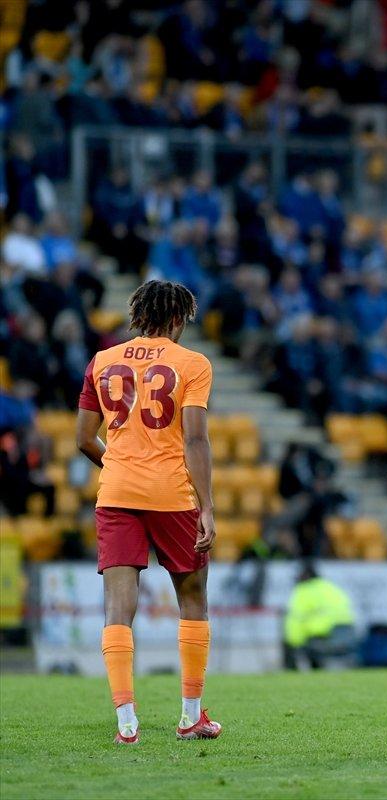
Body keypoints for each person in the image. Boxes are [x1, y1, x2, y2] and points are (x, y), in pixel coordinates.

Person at [75, 279, 221, 745]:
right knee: (192, 598)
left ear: (140, 314)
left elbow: (82, 438)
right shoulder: (192, 364)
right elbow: (195, 439)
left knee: (118, 608)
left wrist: (118, 465)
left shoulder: (101, 361)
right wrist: (209, 506)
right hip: (173, 495)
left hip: (116, 495)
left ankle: (126, 725)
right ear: (178, 319)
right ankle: (190, 717)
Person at [283, 562, 357, 670]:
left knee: (295, 642)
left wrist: (294, 644)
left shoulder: (303, 591)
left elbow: (294, 621)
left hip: (323, 638)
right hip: (347, 635)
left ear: (305, 575)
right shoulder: (331, 587)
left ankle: (294, 674)